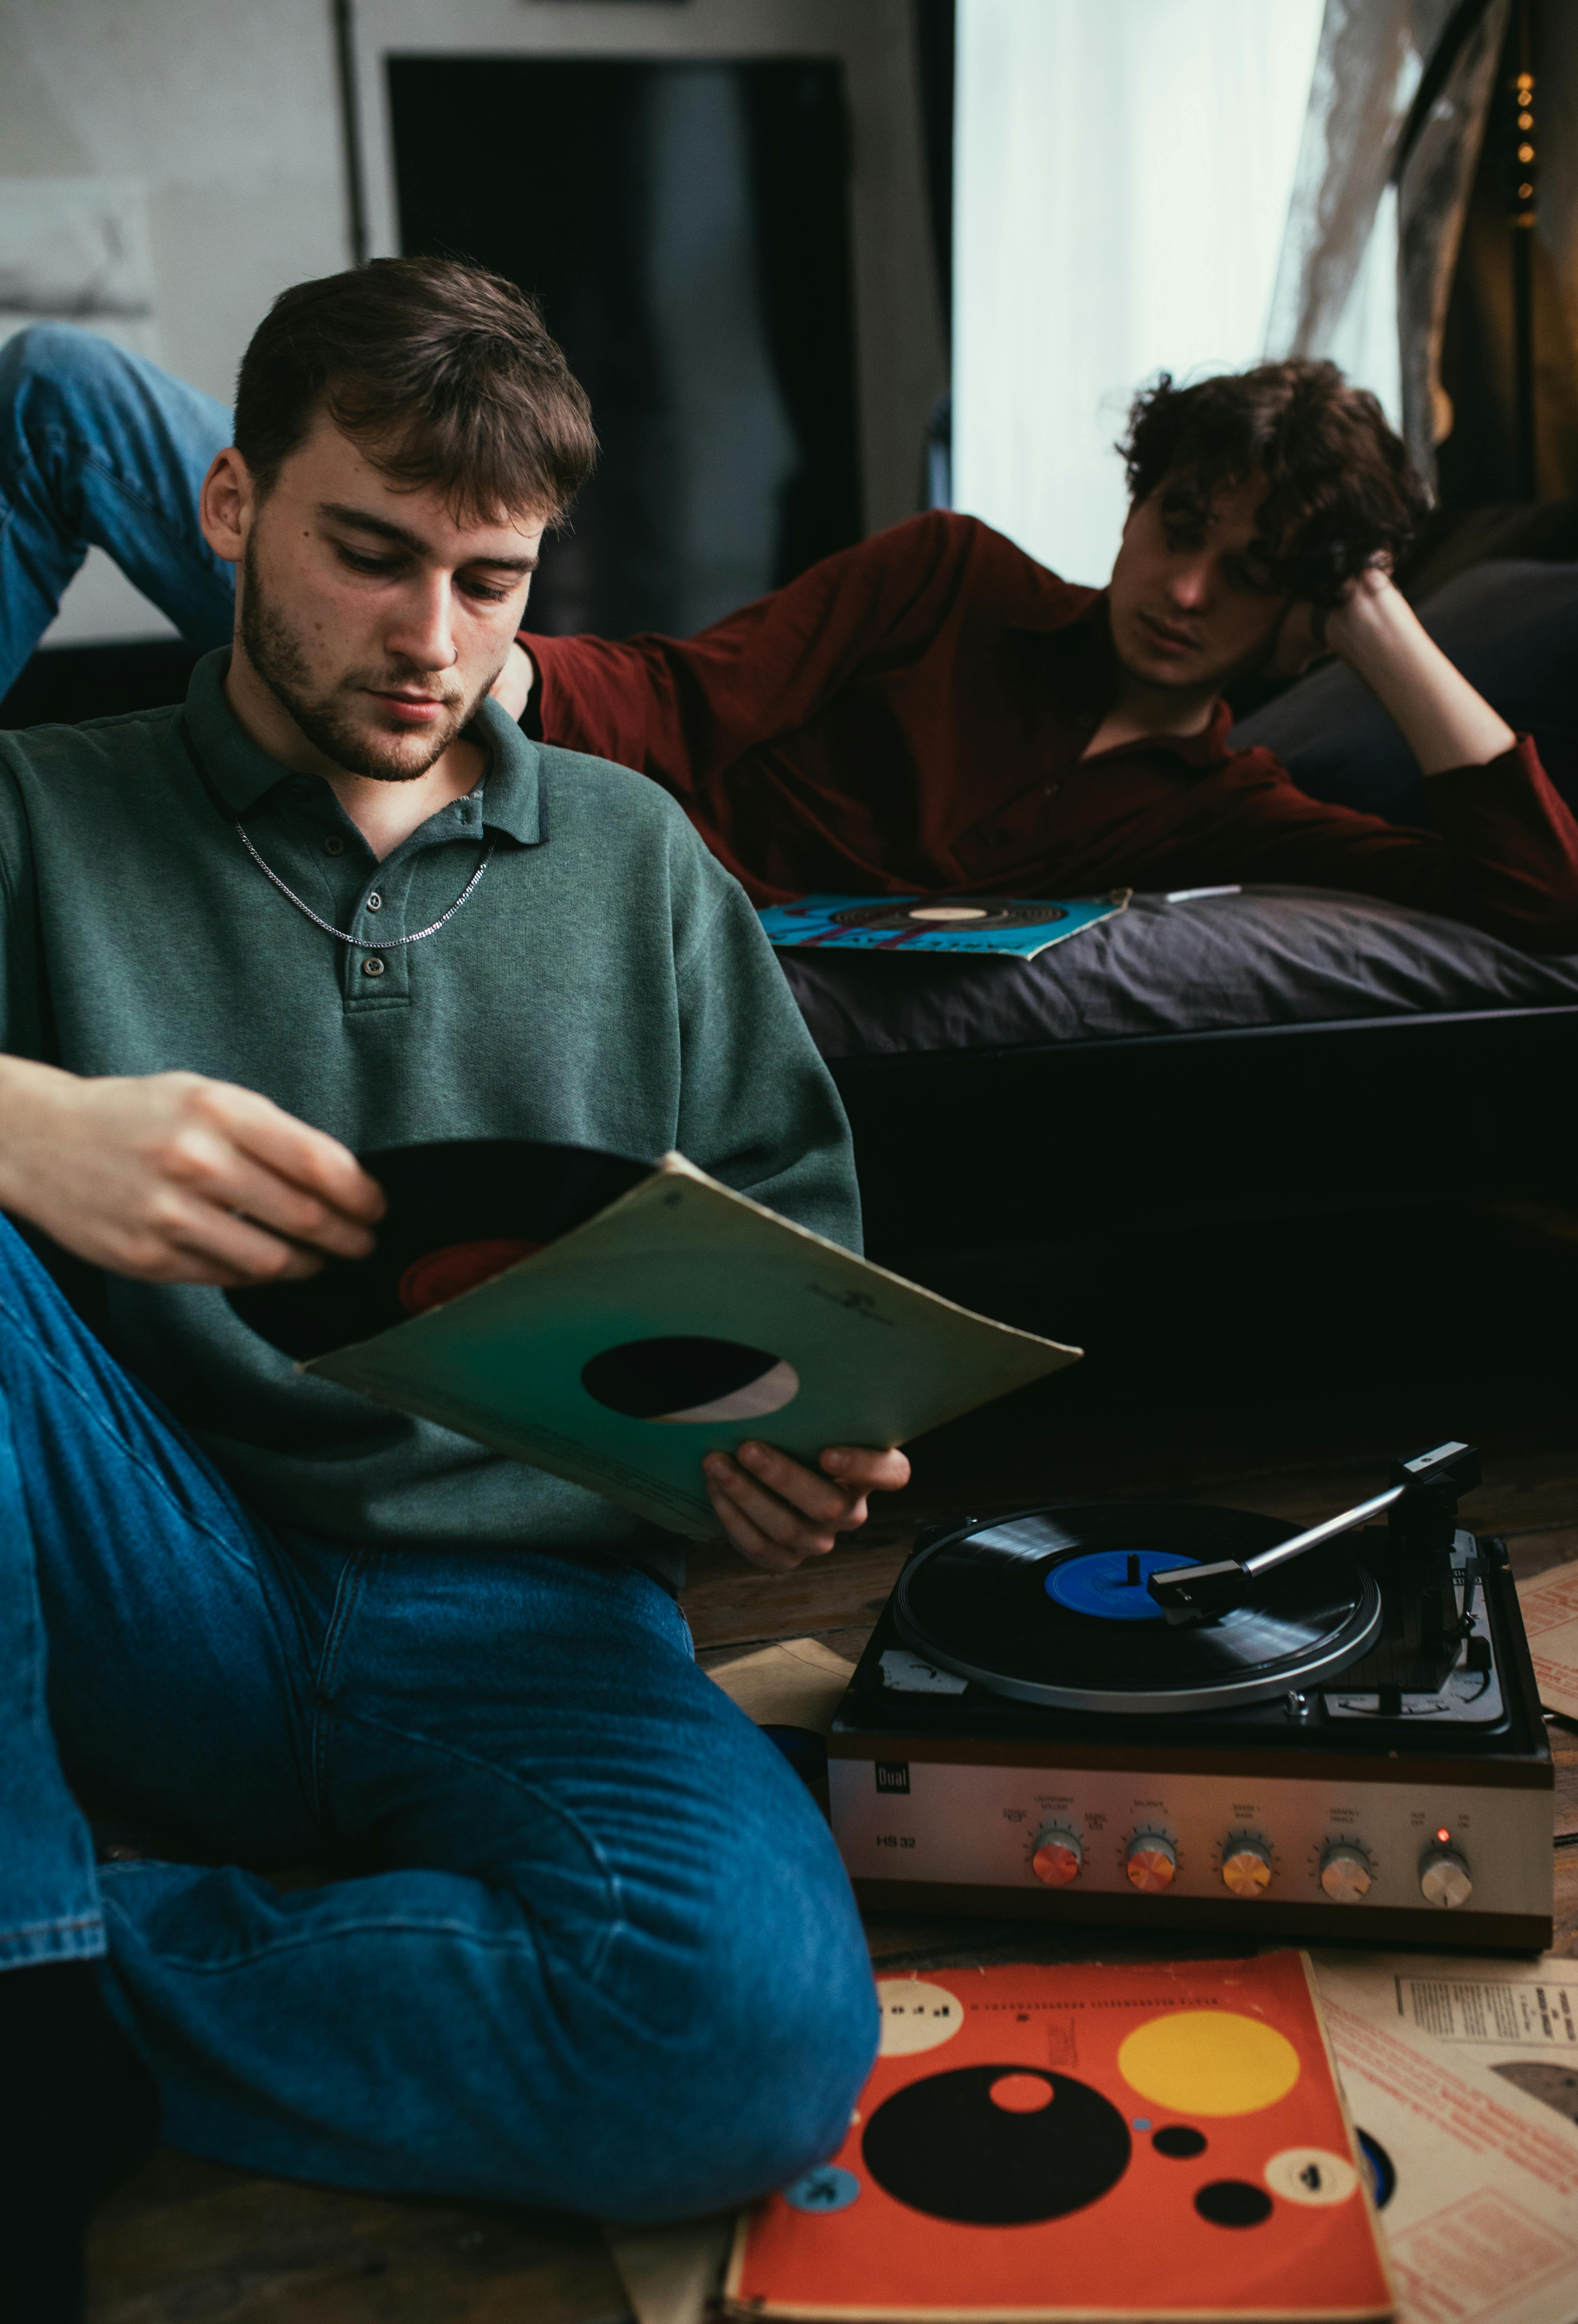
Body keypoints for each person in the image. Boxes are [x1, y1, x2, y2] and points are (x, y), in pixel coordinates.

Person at [0, 260, 903, 2320]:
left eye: (492, 584)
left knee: (746, 2043)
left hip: (534, 1622)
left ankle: (100, 1973)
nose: (433, 644)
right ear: (228, 506)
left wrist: (778, 1462)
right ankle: (24, 1985)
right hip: (155, 1579)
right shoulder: (41, 816)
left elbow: (797, 1273)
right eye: (370, 555)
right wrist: (15, 1122)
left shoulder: (640, 855)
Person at [4, 338, 1578, 951]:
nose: (1184, 591)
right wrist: (510, 662)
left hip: (599, 881)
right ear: (1135, 504)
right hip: (540, 743)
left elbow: (1537, 906)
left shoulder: (1229, 807)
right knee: (66, 392)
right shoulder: (949, 577)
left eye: (1244, 578)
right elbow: (707, 692)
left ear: (1296, 614)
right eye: (1177, 525)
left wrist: (1370, 606)